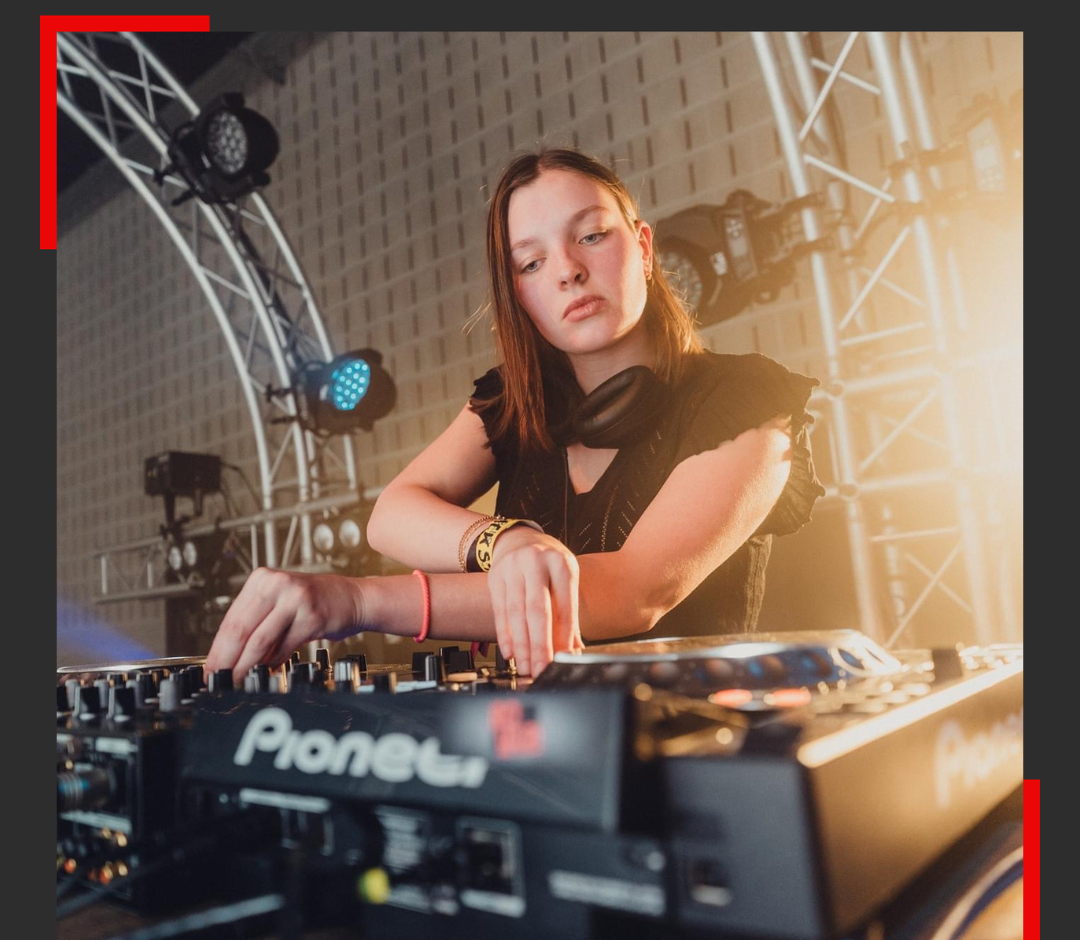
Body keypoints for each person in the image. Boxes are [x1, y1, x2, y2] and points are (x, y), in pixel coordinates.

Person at [206, 148, 824, 680]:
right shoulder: (517, 400)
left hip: (690, 742)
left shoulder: (748, 400)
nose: (568, 271)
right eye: (531, 262)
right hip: (527, 739)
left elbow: (633, 592)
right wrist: (504, 541)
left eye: (591, 235)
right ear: (519, 294)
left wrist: (359, 602)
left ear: (643, 247)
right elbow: (391, 515)